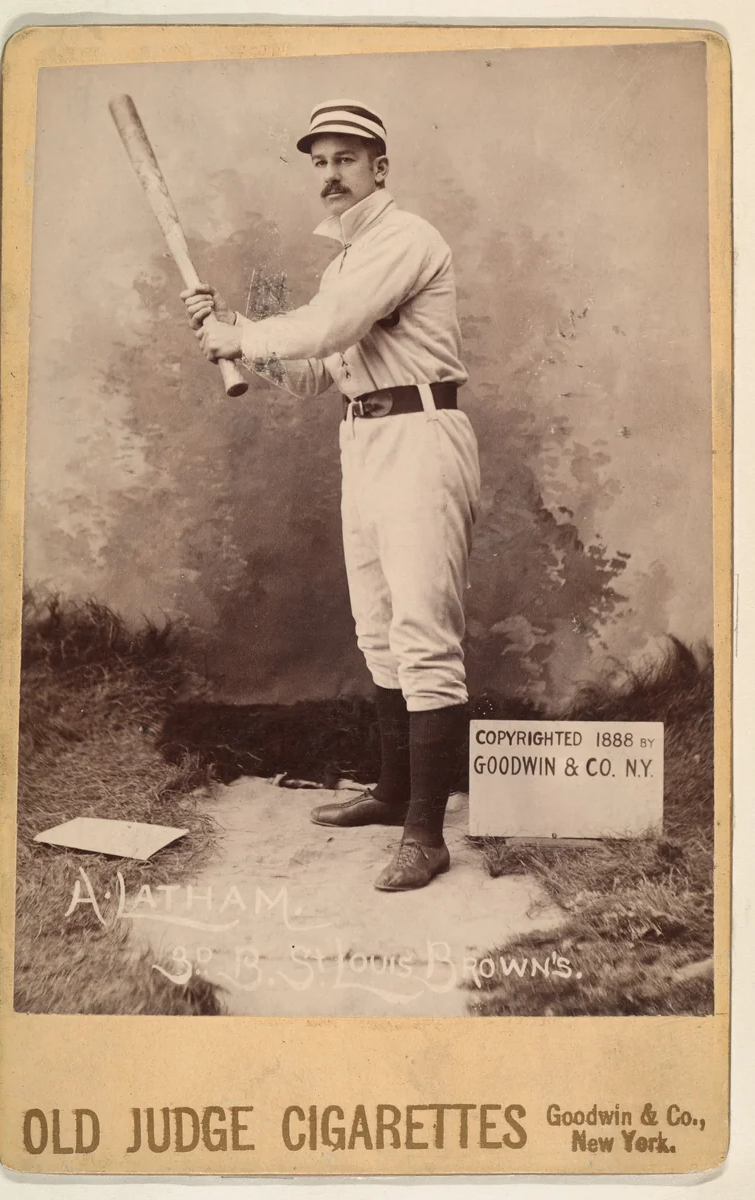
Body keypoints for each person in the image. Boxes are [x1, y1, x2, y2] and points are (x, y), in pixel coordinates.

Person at [182, 100, 480, 892]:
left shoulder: (407, 239)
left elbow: (329, 325)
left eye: (346, 159)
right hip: (364, 439)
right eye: (318, 162)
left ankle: (427, 834)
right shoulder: (341, 262)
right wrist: (231, 324)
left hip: (422, 438)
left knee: (422, 632)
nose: (330, 175)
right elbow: (314, 369)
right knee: (377, 628)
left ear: (380, 168)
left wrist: (246, 335)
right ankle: (391, 795)